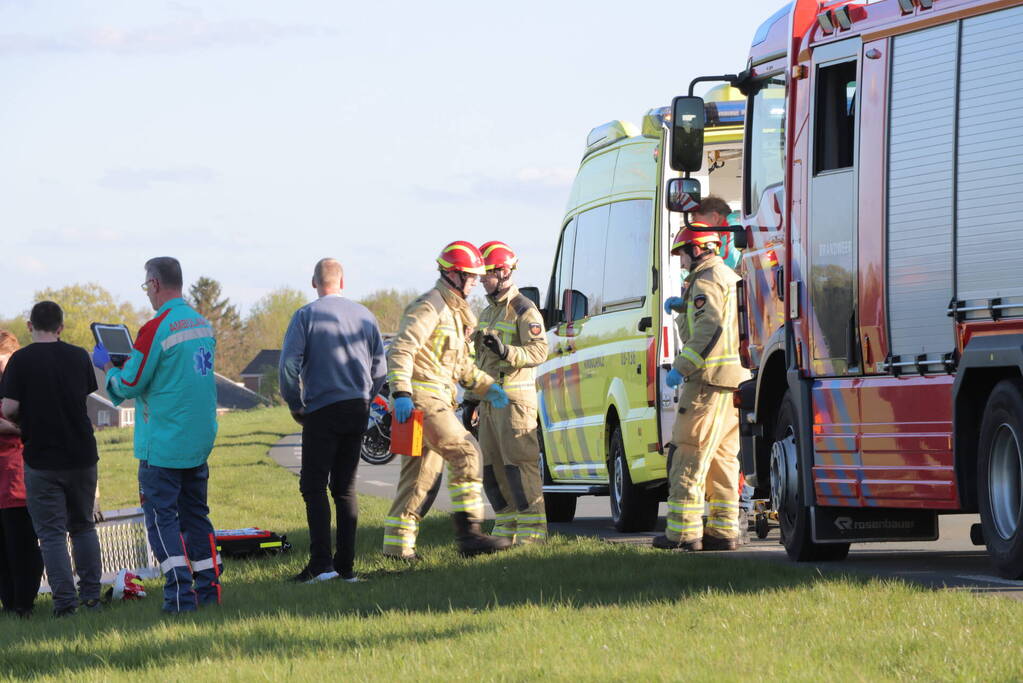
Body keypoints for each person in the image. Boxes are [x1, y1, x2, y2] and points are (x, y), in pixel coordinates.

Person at [93, 257, 221, 614]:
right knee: (197, 516)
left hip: (162, 443)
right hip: (197, 440)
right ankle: (209, 592)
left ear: (154, 284)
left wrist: (107, 368)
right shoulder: (203, 324)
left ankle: (179, 597)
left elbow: (131, 383)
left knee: (162, 519)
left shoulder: (155, 328)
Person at [382, 241, 513, 560]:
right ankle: (470, 535)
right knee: (467, 452)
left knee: (419, 479)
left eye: (475, 277)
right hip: (422, 400)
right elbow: (401, 350)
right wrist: (400, 393)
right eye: (468, 277)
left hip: (428, 401)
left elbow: (461, 367)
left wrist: (487, 387)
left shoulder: (455, 312)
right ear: (451, 274)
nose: (473, 283)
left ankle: (398, 549)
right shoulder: (431, 306)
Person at [279, 258, 386, 583]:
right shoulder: (366, 316)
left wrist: (296, 403)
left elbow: (288, 365)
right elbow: (381, 369)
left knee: (313, 485)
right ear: (343, 281)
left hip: (321, 408)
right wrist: (366, 397)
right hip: (356, 408)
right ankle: (346, 567)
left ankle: (321, 564)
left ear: (314, 283)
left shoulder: (306, 316)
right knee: (345, 488)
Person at [0, 303, 102, 616]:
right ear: (60, 326)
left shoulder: (21, 359)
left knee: (52, 534)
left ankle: (65, 603)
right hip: (82, 454)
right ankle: (92, 597)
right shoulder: (78, 356)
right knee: (83, 527)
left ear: (30, 326)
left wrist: (22, 419)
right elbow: (83, 394)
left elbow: (8, 408)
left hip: (42, 458)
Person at [654, 226, 750, 551]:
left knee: (688, 454)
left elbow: (710, 325)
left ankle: (683, 534)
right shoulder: (728, 275)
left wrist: (681, 368)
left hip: (706, 384)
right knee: (723, 461)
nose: (681, 263)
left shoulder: (706, 279)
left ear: (696, 250)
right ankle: (724, 532)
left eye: (681, 254)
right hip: (732, 383)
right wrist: (683, 310)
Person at [473, 241, 549, 544]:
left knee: (519, 465)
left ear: (503, 272)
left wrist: (506, 351)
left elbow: (539, 350)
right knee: (492, 467)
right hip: (490, 401)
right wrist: (471, 400)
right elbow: (478, 359)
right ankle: (506, 524)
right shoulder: (487, 312)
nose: (481, 280)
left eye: (486, 274)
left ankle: (533, 530)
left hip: (516, 401)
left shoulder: (522, 309)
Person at [0, 331, 44, 618]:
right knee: (3, 546)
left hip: (17, 474)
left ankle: (24, 602)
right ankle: (10, 600)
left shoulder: (26, 385)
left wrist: (16, 429)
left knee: (21, 542)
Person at [691, 195, 741, 271]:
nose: (697, 228)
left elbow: (724, 267)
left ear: (715, 217)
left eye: (698, 223)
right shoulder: (736, 221)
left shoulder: (730, 227)